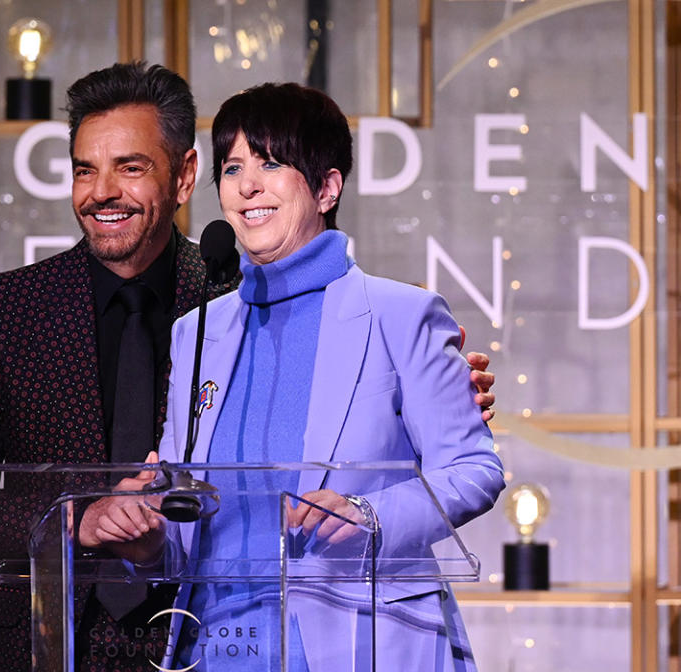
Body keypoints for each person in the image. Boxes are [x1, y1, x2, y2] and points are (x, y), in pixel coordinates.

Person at [0, 63, 497, 672]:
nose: (102, 191)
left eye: (131, 167)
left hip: (265, 637)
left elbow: (451, 455)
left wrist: (440, 402)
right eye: (85, 169)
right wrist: (81, 523)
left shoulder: (225, 289)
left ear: (183, 177)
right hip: (64, 634)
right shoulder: (22, 308)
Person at [92, 82, 505, 672]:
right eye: (232, 167)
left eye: (272, 162)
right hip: (216, 648)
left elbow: (474, 470)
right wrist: (148, 536)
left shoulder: (401, 313)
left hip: (363, 642)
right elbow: (190, 518)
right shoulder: (199, 331)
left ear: (328, 187)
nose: (247, 184)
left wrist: (369, 514)